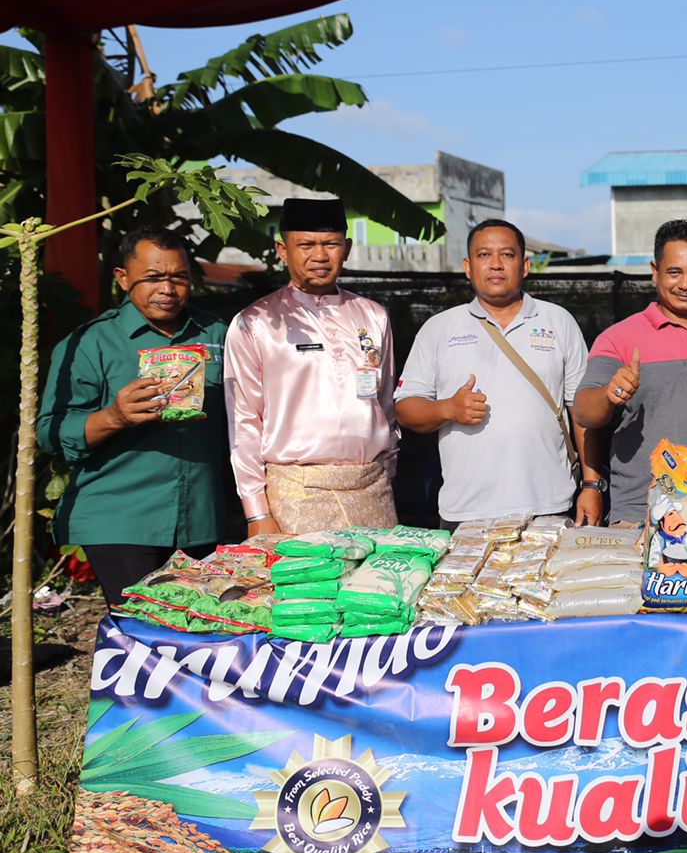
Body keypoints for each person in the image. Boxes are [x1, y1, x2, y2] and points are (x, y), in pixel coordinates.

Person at [36, 227, 233, 605]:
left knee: (197, 625)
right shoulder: (90, 342)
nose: (167, 289)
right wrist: (114, 416)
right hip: (121, 519)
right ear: (123, 278)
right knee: (142, 626)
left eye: (179, 277)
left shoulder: (217, 333)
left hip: (201, 517)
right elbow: (49, 432)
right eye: (154, 277)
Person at [396, 219, 605, 527]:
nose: (495, 264)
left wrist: (591, 485)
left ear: (525, 265)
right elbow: (405, 408)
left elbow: (582, 412)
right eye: (484, 255)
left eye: (507, 254)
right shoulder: (439, 328)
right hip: (466, 512)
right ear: (468, 267)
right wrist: (448, 409)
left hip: (549, 506)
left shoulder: (558, 321)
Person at [224, 197, 399, 535]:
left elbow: (386, 403)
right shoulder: (256, 322)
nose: (320, 256)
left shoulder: (374, 316)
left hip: (373, 490)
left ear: (346, 249)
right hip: (296, 496)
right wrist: (256, 512)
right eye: (306, 245)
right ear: (282, 250)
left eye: (330, 244)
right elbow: (244, 422)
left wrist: (388, 472)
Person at [574, 219, 687, 524]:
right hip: (639, 513)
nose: (685, 284)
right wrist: (610, 395)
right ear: (655, 271)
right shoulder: (618, 338)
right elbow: (583, 412)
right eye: (674, 272)